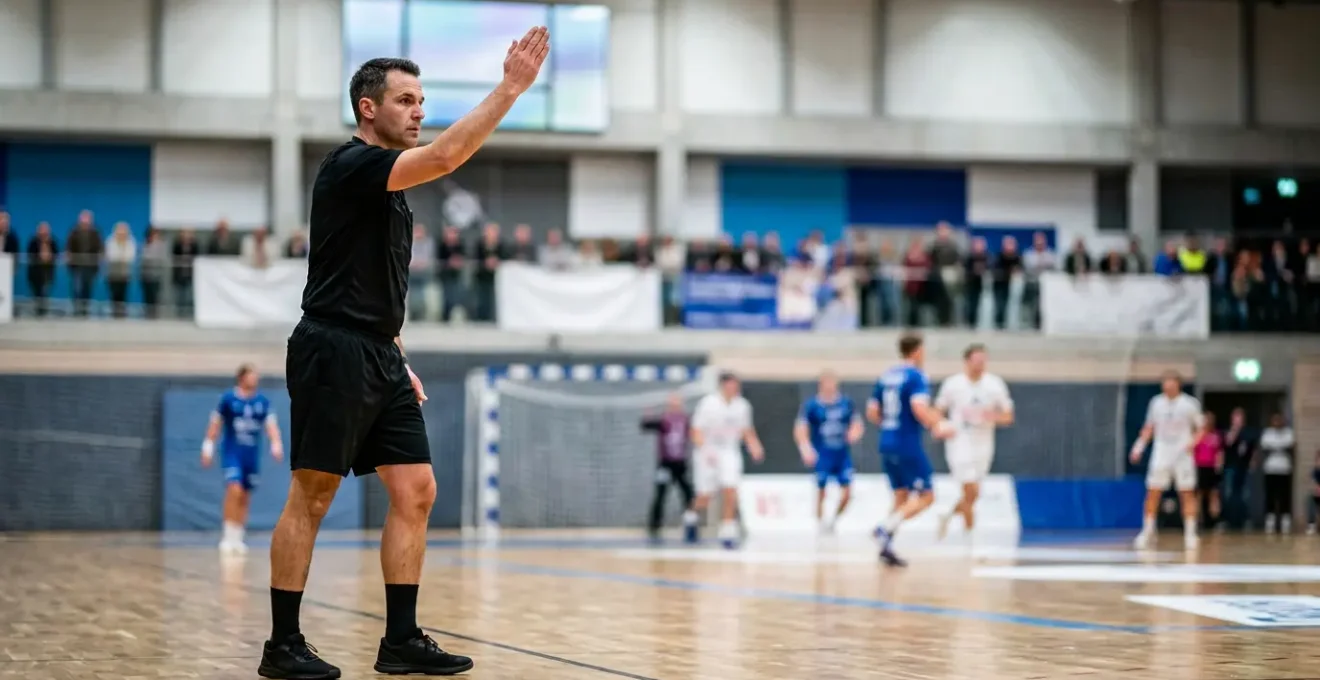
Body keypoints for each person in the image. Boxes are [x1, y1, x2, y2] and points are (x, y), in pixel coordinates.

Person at [259, 31, 550, 680]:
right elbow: (449, 156)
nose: (420, 111)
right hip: (331, 350)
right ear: (370, 109)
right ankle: (282, 645)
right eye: (407, 100)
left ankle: (401, 640)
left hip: (381, 355)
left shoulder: (390, 190)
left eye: (422, 100)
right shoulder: (353, 167)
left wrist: (396, 350)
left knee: (416, 490)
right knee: (312, 493)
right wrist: (510, 88)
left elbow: (371, 282)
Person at [867, 334, 954, 567]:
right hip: (907, 443)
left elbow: (873, 412)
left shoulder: (886, 376)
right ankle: (884, 529)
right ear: (916, 351)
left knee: (901, 496)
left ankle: (886, 547)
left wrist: (891, 425)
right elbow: (919, 408)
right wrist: (938, 424)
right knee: (927, 496)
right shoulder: (916, 376)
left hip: (886, 441)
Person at [933, 344, 1014, 540]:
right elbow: (937, 410)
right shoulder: (953, 384)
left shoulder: (995, 384)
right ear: (967, 361)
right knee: (971, 488)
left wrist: (990, 416)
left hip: (984, 443)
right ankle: (969, 534)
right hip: (960, 442)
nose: (980, 365)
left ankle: (952, 517)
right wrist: (939, 425)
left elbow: (1008, 416)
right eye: (977, 361)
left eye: (983, 361)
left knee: (973, 494)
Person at [200, 364, 282, 554]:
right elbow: (215, 424)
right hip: (232, 453)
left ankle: (238, 536)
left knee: (245, 495)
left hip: (251, 455)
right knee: (234, 490)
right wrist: (208, 447)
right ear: (242, 377)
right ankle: (228, 536)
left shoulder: (262, 401)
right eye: (252, 375)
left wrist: (276, 444)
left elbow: (270, 425)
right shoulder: (229, 399)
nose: (256, 379)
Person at [688, 372, 765, 549]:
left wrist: (754, 445)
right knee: (705, 495)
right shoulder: (708, 403)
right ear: (722, 386)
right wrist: (705, 449)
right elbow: (696, 431)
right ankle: (691, 516)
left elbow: (747, 430)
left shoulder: (742, 405)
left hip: (729, 451)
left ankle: (728, 530)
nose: (733, 389)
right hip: (708, 451)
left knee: (730, 488)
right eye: (730, 385)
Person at [1130, 372, 1203, 550]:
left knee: (1186, 492)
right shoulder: (1156, 403)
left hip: (1182, 455)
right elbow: (1149, 428)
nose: (1167, 386)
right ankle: (1147, 531)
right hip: (1161, 453)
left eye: (1170, 383)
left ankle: (1190, 534)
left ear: (1178, 384)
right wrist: (1138, 447)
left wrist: (1192, 443)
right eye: (1164, 383)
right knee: (1153, 491)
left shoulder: (1189, 404)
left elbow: (1201, 428)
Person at [794, 371, 864, 534]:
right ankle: (820, 522)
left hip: (841, 454)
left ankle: (834, 520)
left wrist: (854, 433)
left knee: (847, 492)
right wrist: (806, 448)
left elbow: (857, 424)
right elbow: (800, 428)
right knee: (821, 490)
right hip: (822, 453)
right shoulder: (812, 405)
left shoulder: (846, 403)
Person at [640, 393, 694, 543]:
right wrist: (647, 415)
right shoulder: (664, 419)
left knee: (688, 494)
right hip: (665, 463)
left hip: (680, 463)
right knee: (661, 494)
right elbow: (646, 426)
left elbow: (696, 433)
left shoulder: (685, 419)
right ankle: (654, 526)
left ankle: (691, 524)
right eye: (673, 403)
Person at [1258, 412, 1296, 534]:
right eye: (1275, 420)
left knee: (1285, 496)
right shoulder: (1267, 433)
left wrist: (1276, 447)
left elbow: (1290, 447)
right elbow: (1265, 447)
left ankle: (1285, 522)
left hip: (1285, 469)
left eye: (1279, 420)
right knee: (1270, 495)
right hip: (1270, 469)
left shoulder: (1288, 433)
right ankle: (1270, 521)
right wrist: (1279, 447)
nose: (1277, 422)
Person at [1192, 411, 1224, 530]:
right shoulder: (1198, 435)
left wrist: (1219, 466)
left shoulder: (1216, 436)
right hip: (1199, 467)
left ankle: (1213, 520)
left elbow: (1219, 453)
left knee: (1213, 494)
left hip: (1211, 468)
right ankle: (1197, 520)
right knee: (1198, 494)